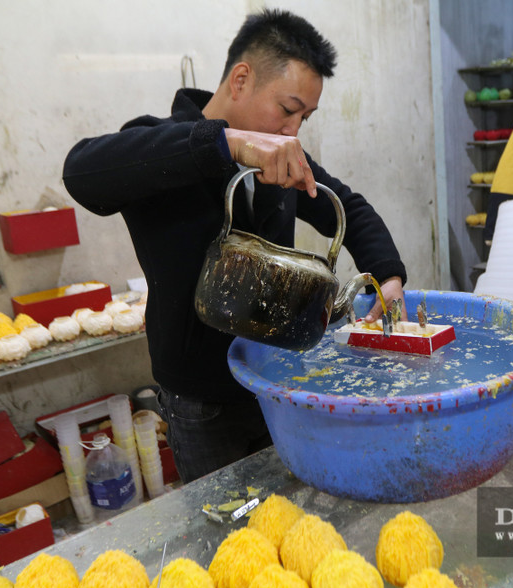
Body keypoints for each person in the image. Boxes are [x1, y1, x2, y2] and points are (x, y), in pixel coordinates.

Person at [62, 9, 407, 483]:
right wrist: (230, 145)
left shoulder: (285, 161)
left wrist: (387, 277)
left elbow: (349, 208)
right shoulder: (164, 149)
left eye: (305, 116)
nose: (294, 130)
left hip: (274, 376)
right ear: (241, 79)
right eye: (288, 110)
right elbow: (80, 171)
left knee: (290, 501)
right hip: (201, 399)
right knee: (226, 523)